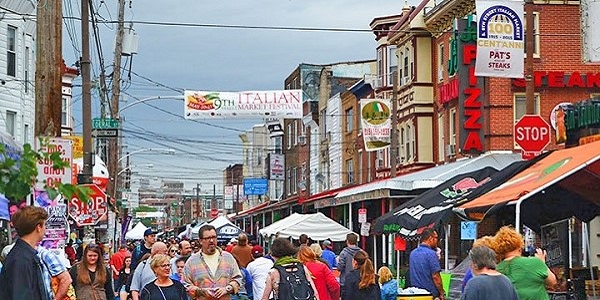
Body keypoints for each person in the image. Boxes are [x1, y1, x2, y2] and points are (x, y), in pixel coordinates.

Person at [492, 226, 557, 300]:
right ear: (519, 244)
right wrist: (542, 262)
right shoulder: (535, 262)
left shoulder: (496, 270)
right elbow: (552, 282)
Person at [0, 206, 51, 300]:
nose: (45, 230)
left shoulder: (24, 255)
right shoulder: (21, 259)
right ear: (38, 227)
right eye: (45, 225)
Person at [184, 225, 242, 299]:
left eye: (213, 237)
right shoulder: (191, 262)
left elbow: (238, 279)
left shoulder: (228, 258)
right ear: (200, 241)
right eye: (207, 238)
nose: (211, 240)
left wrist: (227, 289)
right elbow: (185, 285)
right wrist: (201, 292)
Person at [409, 228, 445, 299]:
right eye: (436, 238)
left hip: (415, 293)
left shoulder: (413, 253)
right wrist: (442, 292)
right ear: (430, 238)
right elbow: (436, 276)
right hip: (429, 294)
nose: (437, 241)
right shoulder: (431, 254)